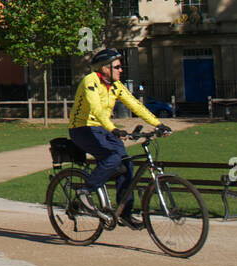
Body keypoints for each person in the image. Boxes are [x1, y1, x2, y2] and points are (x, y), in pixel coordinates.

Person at [68, 48, 170, 228]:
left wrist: (158, 124)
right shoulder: (90, 81)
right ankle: (85, 191)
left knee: (126, 164)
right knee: (113, 157)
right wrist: (113, 129)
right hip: (82, 129)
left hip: (104, 128)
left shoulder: (116, 85)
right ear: (105, 68)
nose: (121, 70)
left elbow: (136, 105)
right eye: (117, 67)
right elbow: (96, 109)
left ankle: (124, 213)